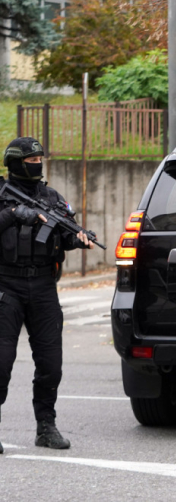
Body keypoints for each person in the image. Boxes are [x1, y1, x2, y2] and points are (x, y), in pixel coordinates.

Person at [0, 137, 93, 454]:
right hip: (5, 286)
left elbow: (67, 232)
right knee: (1, 364)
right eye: (31, 159)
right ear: (15, 162)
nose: (37, 164)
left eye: (40, 158)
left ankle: (46, 427)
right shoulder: (1, 195)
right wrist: (15, 215)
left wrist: (79, 237)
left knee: (51, 364)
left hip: (43, 287)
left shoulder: (51, 196)